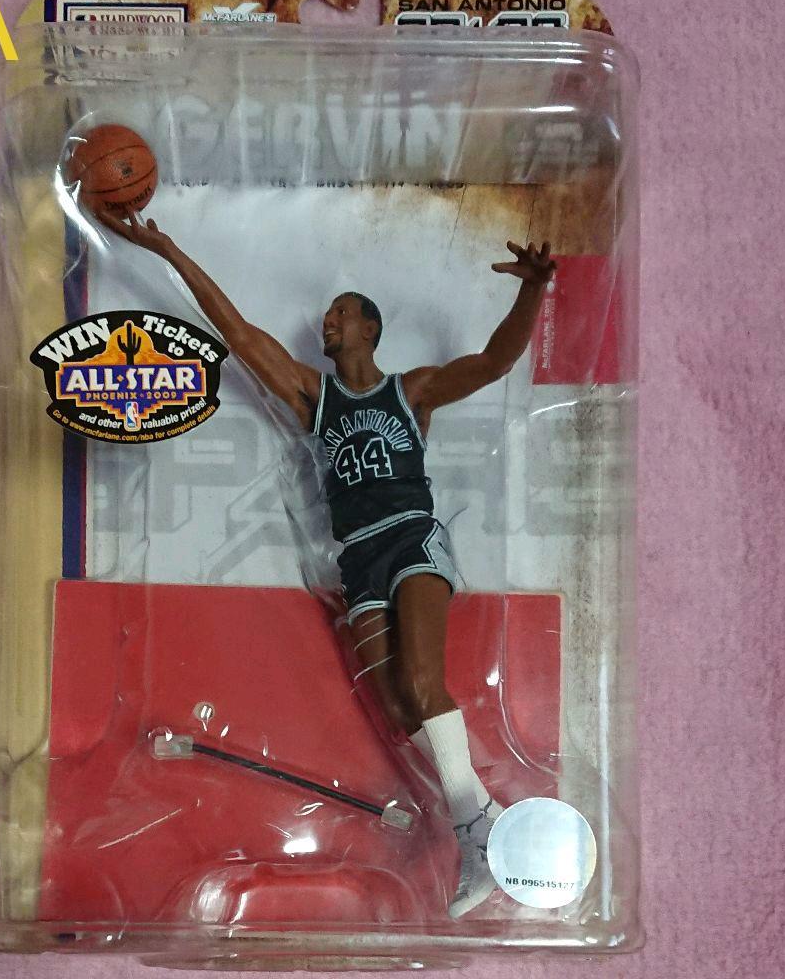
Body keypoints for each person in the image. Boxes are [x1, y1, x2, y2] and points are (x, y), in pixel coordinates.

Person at [100, 207, 555, 917]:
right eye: (328, 315)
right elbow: (237, 332)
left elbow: (494, 362)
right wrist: (167, 249)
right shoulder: (314, 396)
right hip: (358, 557)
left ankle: (473, 830)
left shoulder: (410, 391)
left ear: (371, 329)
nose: (328, 322)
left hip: (410, 537)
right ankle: (483, 819)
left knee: (422, 681)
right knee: (398, 708)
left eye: (341, 313)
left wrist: (532, 290)